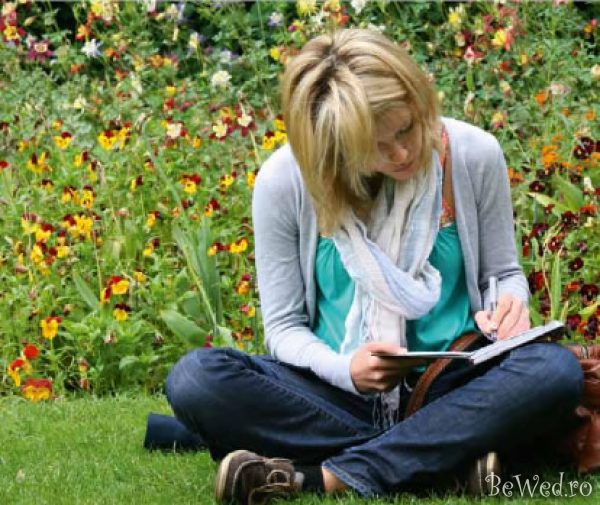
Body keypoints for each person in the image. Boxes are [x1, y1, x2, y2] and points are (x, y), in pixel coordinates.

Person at [163, 28, 583, 504]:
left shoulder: (473, 154)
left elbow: (503, 273)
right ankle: (447, 455)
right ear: (335, 145)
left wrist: (509, 304)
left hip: (453, 382)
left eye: (407, 129)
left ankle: (321, 477)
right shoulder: (285, 181)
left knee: (553, 371)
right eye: (377, 147)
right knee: (196, 379)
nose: (403, 153)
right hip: (337, 394)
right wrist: (347, 370)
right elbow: (283, 328)